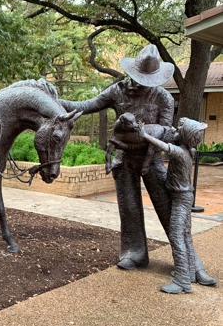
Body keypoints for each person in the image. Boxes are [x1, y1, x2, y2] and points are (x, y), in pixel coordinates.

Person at [60, 44, 215, 285]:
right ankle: (134, 253)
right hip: (124, 159)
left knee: (170, 211)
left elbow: (166, 131)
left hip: (151, 161)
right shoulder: (117, 91)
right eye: (136, 78)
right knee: (129, 208)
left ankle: (192, 264)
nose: (138, 83)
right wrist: (52, 100)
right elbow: (85, 106)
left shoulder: (162, 97)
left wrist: (155, 130)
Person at [138, 118, 217, 293]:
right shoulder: (190, 150)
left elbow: (164, 146)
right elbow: (175, 134)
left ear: (184, 136)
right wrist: (174, 128)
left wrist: (144, 135)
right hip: (184, 197)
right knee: (186, 235)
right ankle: (191, 272)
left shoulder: (180, 152)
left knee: (176, 236)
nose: (175, 131)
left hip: (181, 199)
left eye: (179, 130)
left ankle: (182, 279)